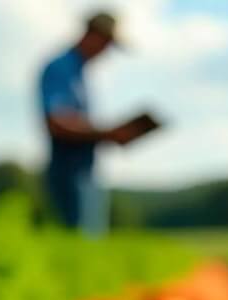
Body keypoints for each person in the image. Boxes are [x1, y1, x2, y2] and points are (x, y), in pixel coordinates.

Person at [38, 11, 156, 235]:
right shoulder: (60, 68)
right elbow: (56, 122)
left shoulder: (80, 73)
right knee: (75, 241)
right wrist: (106, 133)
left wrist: (107, 134)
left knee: (90, 238)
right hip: (67, 173)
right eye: (107, 44)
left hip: (86, 171)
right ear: (94, 36)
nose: (106, 52)